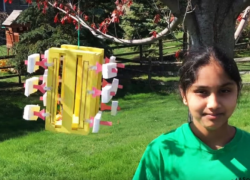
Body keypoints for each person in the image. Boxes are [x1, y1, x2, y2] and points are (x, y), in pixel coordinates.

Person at [133, 47, 250, 180]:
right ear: (184, 94)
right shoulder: (161, 152)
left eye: (224, 91)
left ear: (238, 91)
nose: (213, 104)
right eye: (202, 91)